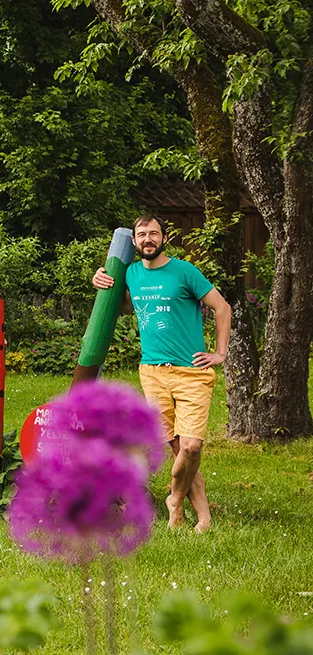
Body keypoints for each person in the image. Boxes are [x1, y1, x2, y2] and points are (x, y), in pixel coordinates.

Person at [93, 214, 230, 532]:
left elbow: (222, 308)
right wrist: (100, 278)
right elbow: (127, 306)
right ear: (135, 242)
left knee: (191, 446)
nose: (147, 239)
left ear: (164, 238)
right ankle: (202, 516)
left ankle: (174, 498)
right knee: (176, 447)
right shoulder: (131, 273)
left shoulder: (184, 271)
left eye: (153, 234)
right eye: (141, 235)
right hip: (152, 372)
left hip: (191, 371)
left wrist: (220, 353)